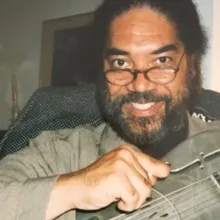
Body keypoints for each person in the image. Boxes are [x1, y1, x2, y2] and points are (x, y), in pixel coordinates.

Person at [0, 0, 220, 219]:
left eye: (162, 60)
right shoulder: (61, 155)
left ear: (191, 66)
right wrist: (76, 188)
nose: (140, 85)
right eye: (120, 63)